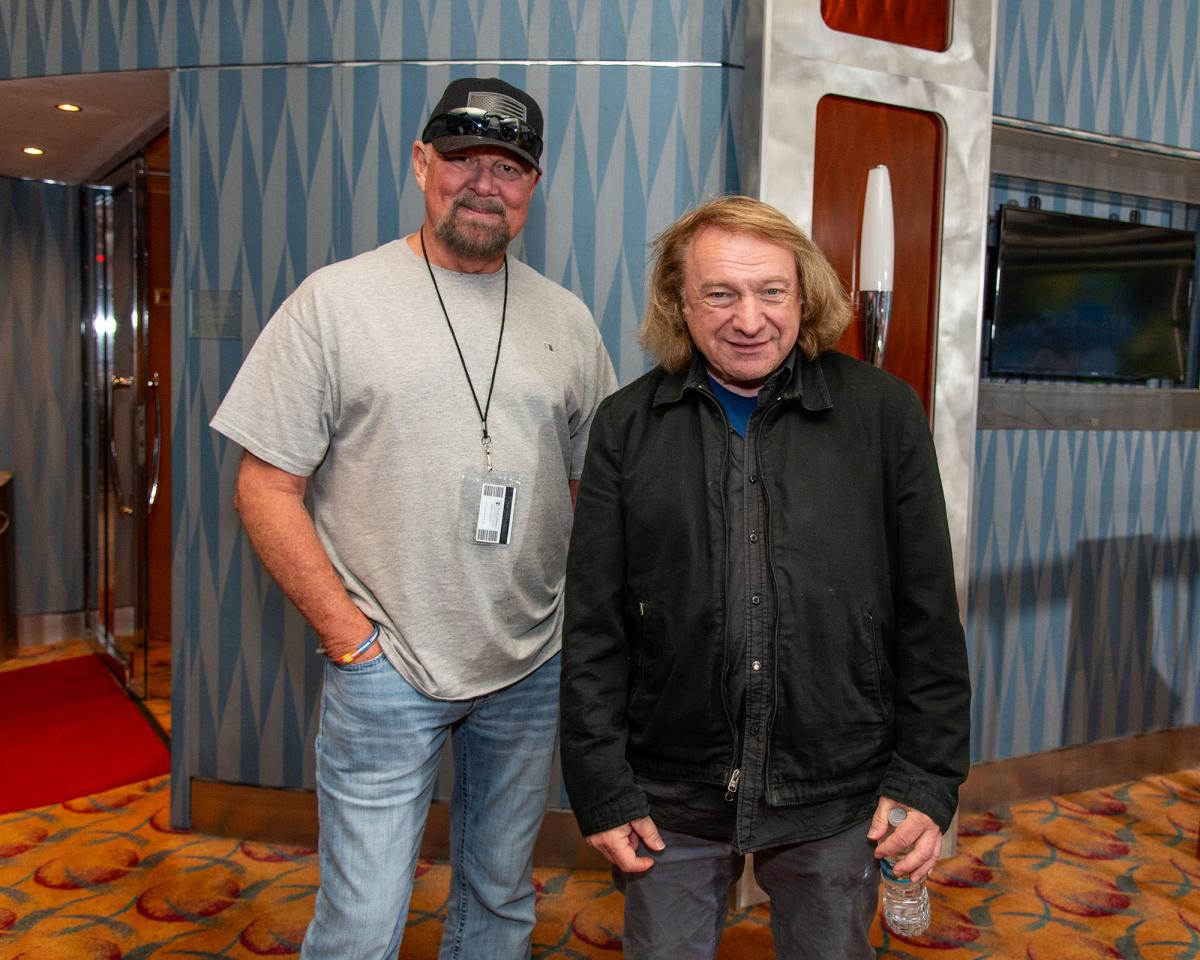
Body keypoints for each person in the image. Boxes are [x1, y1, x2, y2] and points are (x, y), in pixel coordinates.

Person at [211, 76, 617, 960]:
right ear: (421, 163)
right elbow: (263, 486)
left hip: (529, 664)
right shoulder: (334, 302)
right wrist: (349, 639)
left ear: (534, 185)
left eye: (507, 167)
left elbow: (592, 490)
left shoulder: (568, 320)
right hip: (385, 665)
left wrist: (579, 630)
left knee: (500, 901)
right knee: (361, 924)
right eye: (464, 159)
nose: (484, 184)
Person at [559, 195, 970, 958]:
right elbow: (593, 628)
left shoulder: (883, 414)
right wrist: (601, 786)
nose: (749, 319)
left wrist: (928, 777)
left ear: (803, 295)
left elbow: (928, 616)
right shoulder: (626, 425)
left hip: (836, 785)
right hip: (671, 791)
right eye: (720, 293)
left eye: (771, 291)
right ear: (680, 302)